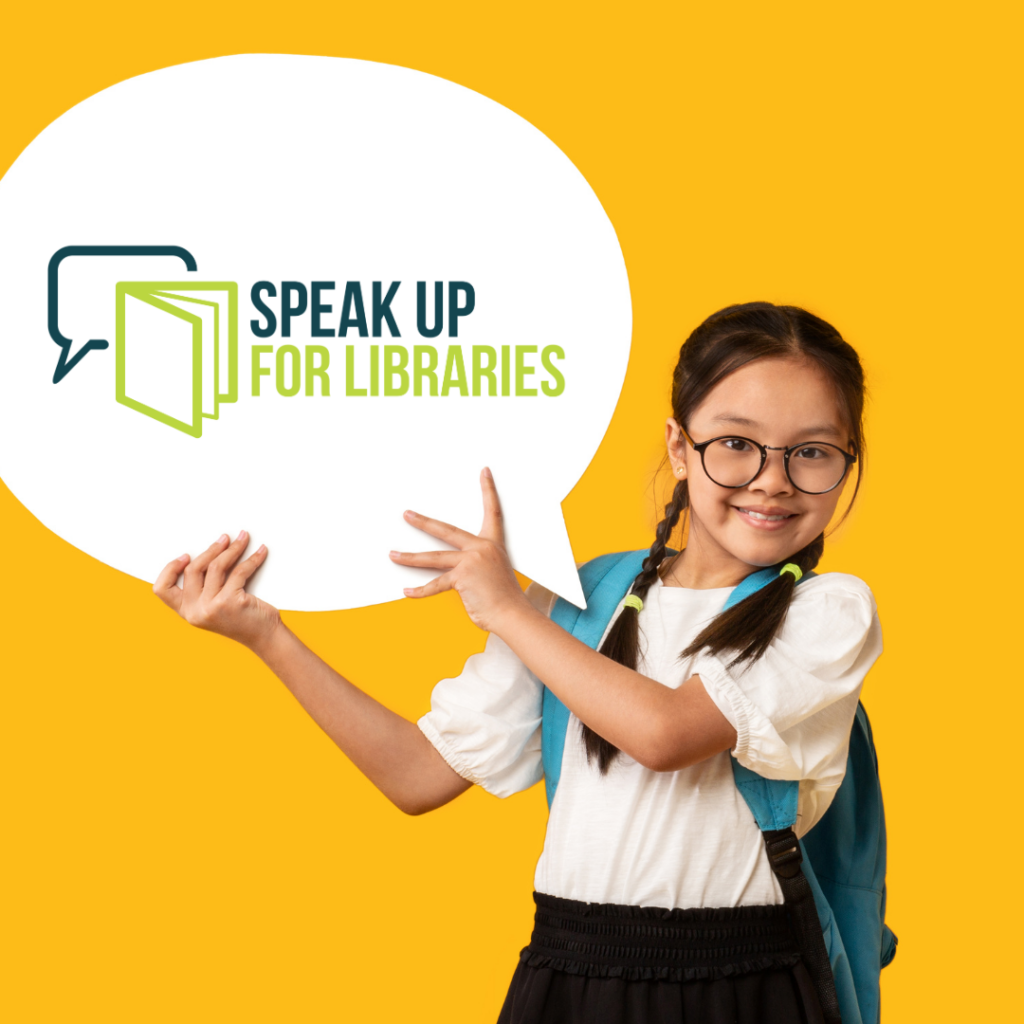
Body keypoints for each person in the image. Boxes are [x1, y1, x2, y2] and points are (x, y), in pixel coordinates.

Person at [154, 302, 881, 1024]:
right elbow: (416, 776)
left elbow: (665, 735)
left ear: (847, 460)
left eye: (812, 452)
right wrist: (267, 637)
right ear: (679, 447)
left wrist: (505, 607)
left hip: (743, 984)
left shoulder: (829, 612)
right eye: (736, 443)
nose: (773, 479)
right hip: (570, 972)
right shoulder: (579, 599)